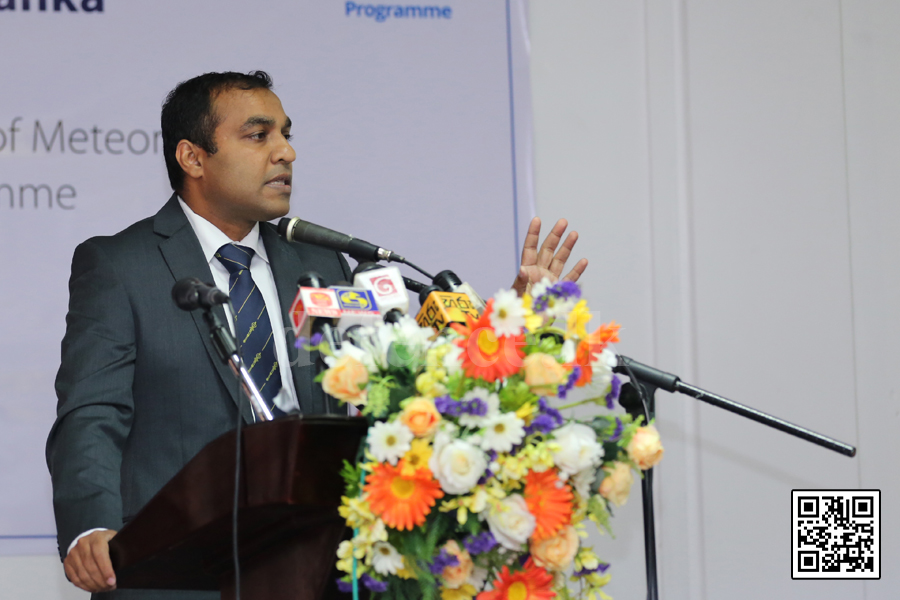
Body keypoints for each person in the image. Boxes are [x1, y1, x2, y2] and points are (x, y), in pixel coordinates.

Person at [46, 70, 587, 598]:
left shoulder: (326, 263)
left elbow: (405, 379)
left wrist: (512, 316)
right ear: (193, 158)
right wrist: (90, 525)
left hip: (314, 566)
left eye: (286, 134)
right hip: (173, 572)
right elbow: (92, 412)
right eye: (259, 135)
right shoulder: (121, 266)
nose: (286, 152)